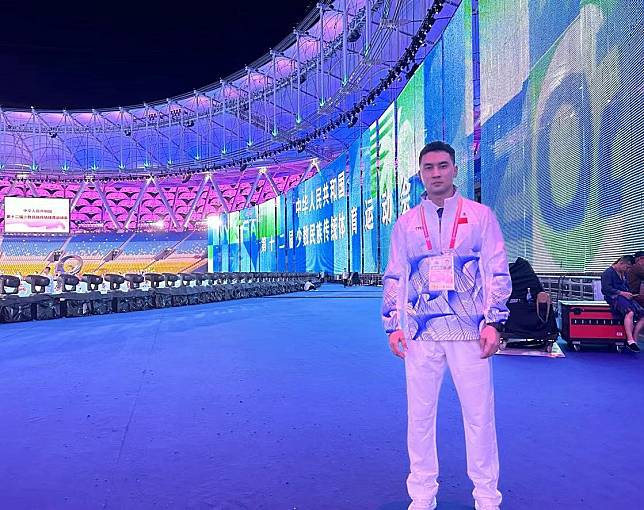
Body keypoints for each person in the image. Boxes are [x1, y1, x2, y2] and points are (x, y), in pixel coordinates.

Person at [382, 141, 511, 510]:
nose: (436, 173)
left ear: (455, 169)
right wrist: (393, 324)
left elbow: (496, 269)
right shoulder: (406, 224)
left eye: (442, 166)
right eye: (428, 168)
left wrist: (494, 320)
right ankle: (422, 495)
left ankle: (487, 497)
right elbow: (395, 276)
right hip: (421, 333)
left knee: (479, 416)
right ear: (420, 174)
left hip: (470, 332)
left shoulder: (481, 216)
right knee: (419, 417)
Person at [601, 255, 643, 352]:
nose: (627, 269)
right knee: (630, 312)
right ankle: (629, 339)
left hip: (625, 297)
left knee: (643, 315)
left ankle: (634, 339)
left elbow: (626, 287)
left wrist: (630, 294)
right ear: (621, 263)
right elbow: (606, 289)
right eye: (627, 267)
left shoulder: (623, 274)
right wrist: (622, 293)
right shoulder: (608, 273)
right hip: (614, 297)